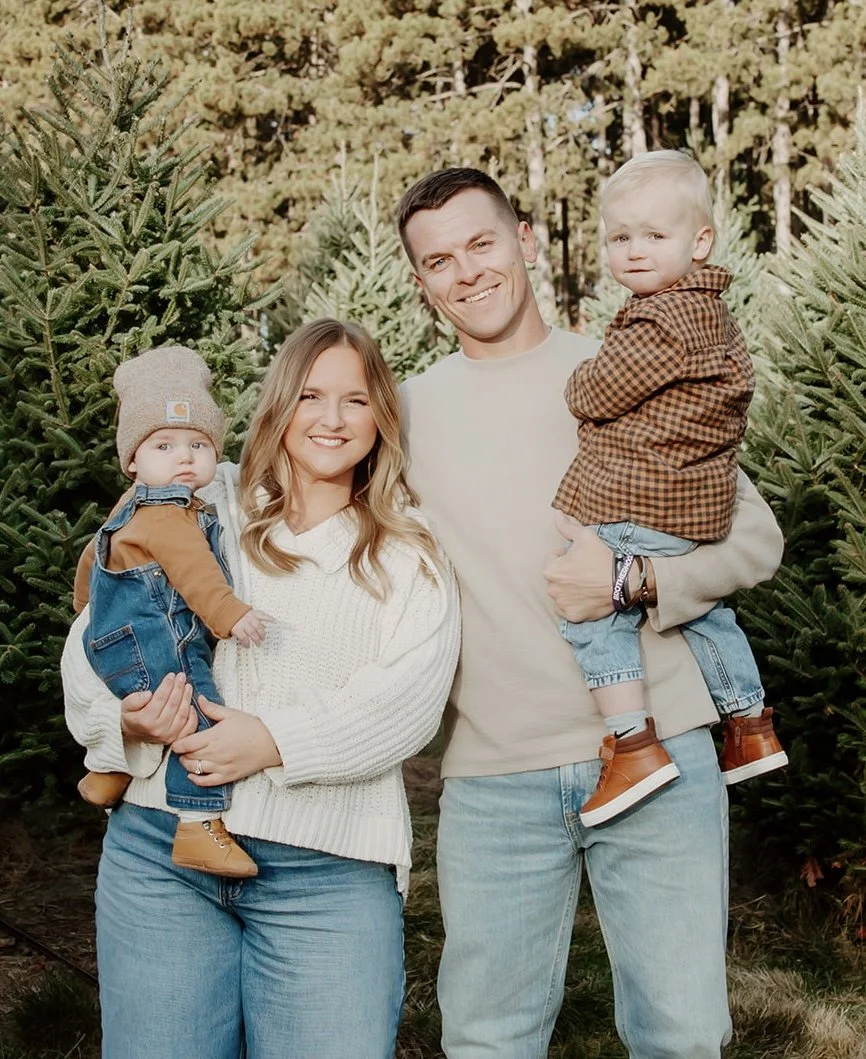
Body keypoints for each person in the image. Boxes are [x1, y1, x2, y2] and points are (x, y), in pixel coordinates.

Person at [397, 167, 784, 1057]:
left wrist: (631, 582)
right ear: (422, 281)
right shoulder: (408, 413)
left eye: (483, 243)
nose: (468, 273)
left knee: (681, 1035)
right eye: (440, 260)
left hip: (664, 751)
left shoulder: (628, 369)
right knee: (486, 1039)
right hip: (496, 779)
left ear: (526, 240)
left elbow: (753, 540)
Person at [62, 319, 460, 1059]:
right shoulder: (202, 501)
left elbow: (409, 699)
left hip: (328, 876)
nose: (332, 419)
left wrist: (274, 740)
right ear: (280, 402)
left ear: (383, 415)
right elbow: (97, 631)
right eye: (311, 395)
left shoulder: (408, 549)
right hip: (162, 857)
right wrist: (123, 720)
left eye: (356, 399)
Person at [551, 150, 787, 828]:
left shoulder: (660, 319)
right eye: (621, 237)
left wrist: (580, 380)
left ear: (700, 241)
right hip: (696, 506)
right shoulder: (711, 311)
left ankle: (632, 742)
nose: (634, 251)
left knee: (592, 615)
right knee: (706, 613)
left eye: (655, 236)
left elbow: (594, 390)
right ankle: (750, 723)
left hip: (646, 499)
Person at [73, 345, 272, 879]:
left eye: (198, 444)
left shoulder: (131, 508)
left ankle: (106, 773)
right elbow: (195, 573)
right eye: (164, 444)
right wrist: (230, 616)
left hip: (117, 641)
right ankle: (197, 824)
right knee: (198, 713)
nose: (184, 457)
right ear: (133, 459)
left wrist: (86, 609)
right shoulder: (168, 515)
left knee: (155, 713)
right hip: (156, 637)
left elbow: (91, 557)